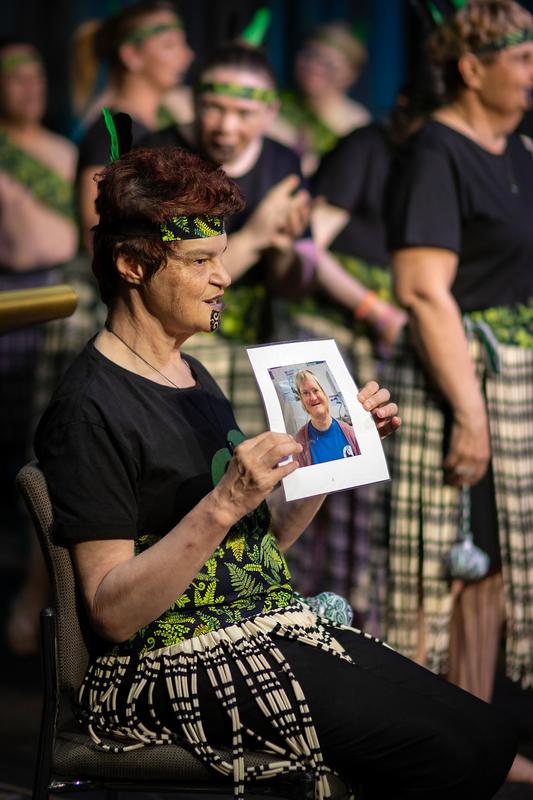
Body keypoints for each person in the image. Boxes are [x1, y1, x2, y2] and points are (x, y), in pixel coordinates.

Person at [34, 142, 516, 800]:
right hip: (165, 661)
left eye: (222, 258)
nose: (222, 278)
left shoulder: (191, 372)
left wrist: (321, 453)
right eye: (200, 261)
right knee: (445, 754)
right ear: (130, 265)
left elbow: (255, 551)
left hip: (260, 623)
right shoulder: (89, 409)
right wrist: (226, 501)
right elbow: (113, 614)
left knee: (483, 733)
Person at [376, 0, 533, 782]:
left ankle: (471, 739)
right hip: (454, 387)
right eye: (523, 57)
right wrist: (468, 412)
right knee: (447, 566)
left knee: (495, 566)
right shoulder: (436, 150)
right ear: (472, 69)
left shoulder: (520, 149)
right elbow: (423, 289)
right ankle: (430, 746)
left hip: (511, 389)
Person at [0, 39, 78, 655]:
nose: (29, 88)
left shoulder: (62, 149)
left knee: (41, 451)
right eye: (13, 77)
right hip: (11, 304)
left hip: (61, 305)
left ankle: (42, 604)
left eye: (36, 76)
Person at [73, 0, 193, 250]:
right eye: (170, 45)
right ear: (132, 55)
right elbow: (96, 230)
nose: (188, 55)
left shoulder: (160, 126)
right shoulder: (110, 134)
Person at [269, 21, 370, 176]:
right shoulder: (275, 107)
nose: (314, 67)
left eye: (328, 63)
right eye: (309, 56)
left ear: (350, 75)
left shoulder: (357, 122)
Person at [293, 369, 360, 467]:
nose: (313, 398)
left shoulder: (350, 433)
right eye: (305, 393)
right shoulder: (299, 443)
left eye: (315, 390)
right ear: (302, 401)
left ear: (324, 393)